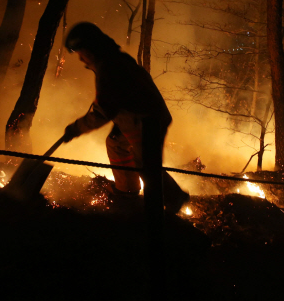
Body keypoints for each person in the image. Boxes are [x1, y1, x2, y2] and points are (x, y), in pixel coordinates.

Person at [62, 22, 189, 214]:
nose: (81, 59)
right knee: (116, 144)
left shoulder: (110, 67)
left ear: (91, 48)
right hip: (135, 117)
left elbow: (103, 111)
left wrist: (75, 129)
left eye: (81, 53)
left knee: (146, 165)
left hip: (147, 120)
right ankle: (127, 191)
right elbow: (121, 99)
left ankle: (171, 200)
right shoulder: (113, 61)